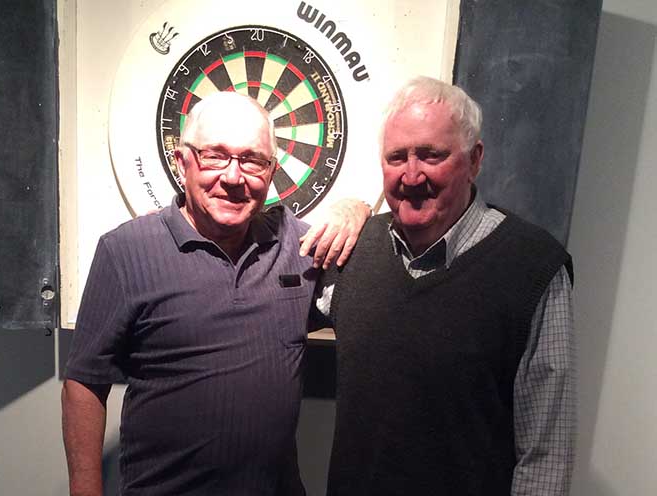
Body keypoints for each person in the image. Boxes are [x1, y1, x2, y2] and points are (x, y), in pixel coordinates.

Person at [61, 91, 369, 496]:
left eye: (252, 160)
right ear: (182, 162)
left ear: (271, 171)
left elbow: (380, 263)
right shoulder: (126, 251)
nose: (234, 177)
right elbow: (84, 382)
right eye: (215, 156)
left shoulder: (295, 245)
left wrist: (357, 208)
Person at [322, 77, 575, 495]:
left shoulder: (533, 268)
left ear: (474, 160)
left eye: (431, 155)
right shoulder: (351, 251)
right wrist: (348, 206)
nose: (411, 174)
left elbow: (546, 453)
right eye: (397, 157)